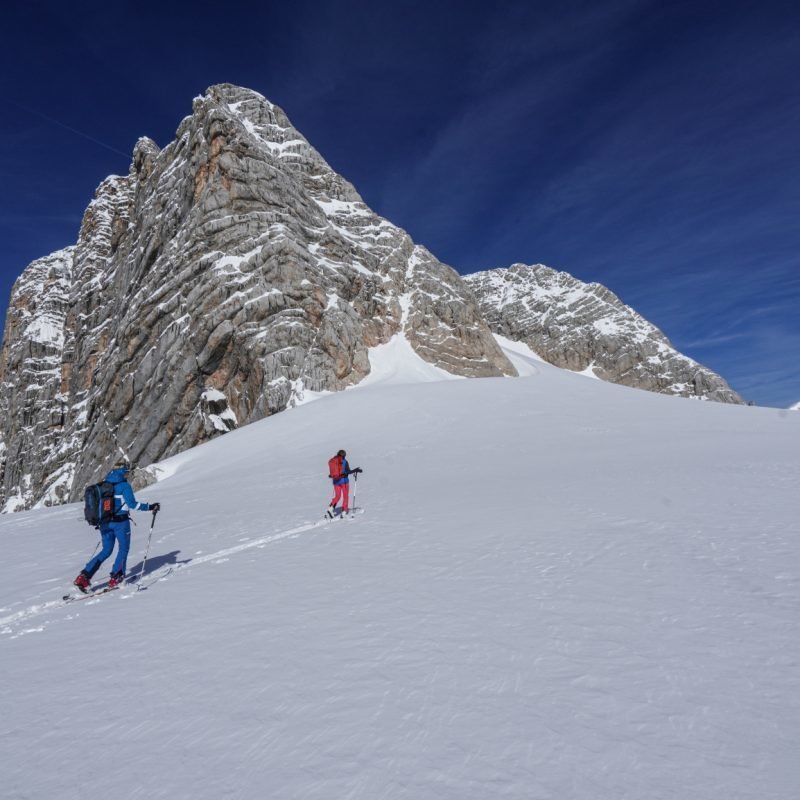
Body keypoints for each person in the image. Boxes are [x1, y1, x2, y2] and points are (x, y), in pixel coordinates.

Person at [73, 462, 160, 592]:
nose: (128, 474)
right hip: (121, 523)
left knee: (106, 550)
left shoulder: (104, 484)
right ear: (123, 472)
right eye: (127, 472)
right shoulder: (124, 486)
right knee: (123, 549)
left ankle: (84, 576)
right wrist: (150, 507)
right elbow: (132, 504)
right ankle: (117, 576)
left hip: (104, 523)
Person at [326, 449, 362, 518]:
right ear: (344, 455)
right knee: (345, 496)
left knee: (337, 496)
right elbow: (348, 471)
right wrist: (356, 470)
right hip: (344, 482)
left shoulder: (333, 460)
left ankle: (330, 507)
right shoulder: (345, 461)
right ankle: (344, 511)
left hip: (336, 481)